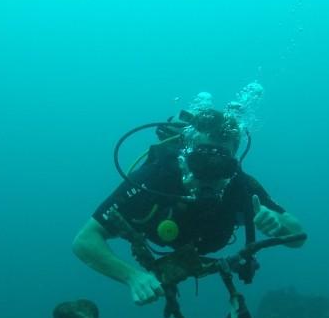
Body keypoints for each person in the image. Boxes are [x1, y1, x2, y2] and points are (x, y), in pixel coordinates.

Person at [73, 106, 305, 305]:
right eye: (201, 161)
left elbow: (298, 236)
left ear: (234, 162)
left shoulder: (241, 187)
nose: (209, 175)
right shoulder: (154, 178)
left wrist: (278, 224)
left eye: (221, 165)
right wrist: (132, 276)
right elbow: (85, 240)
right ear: (185, 156)